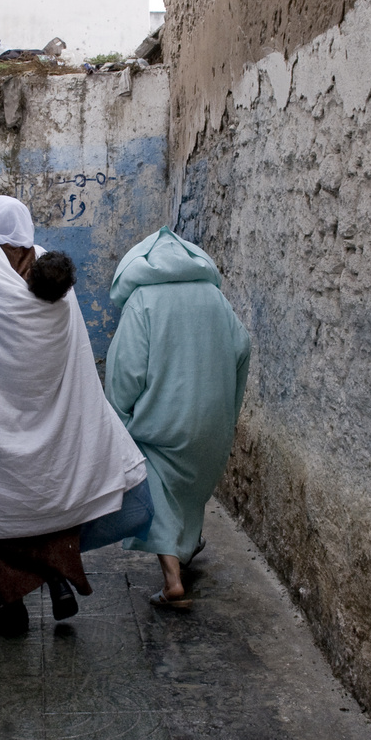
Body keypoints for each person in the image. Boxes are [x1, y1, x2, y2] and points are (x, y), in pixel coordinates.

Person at [0, 196, 148, 635]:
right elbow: (73, 347)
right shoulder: (49, 264)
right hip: (49, 416)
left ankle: (11, 605)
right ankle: (57, 581)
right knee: (48, 507)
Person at [105, 227, 250, 607]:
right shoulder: (216, 299)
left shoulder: (142, 301)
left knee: (159, 491)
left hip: (162, 423)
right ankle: (186, 548)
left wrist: (119, 418)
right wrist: (227, 410)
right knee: (189, 491)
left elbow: (126, 370)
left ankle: (172, 579)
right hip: (211, 421)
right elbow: (242, 348)